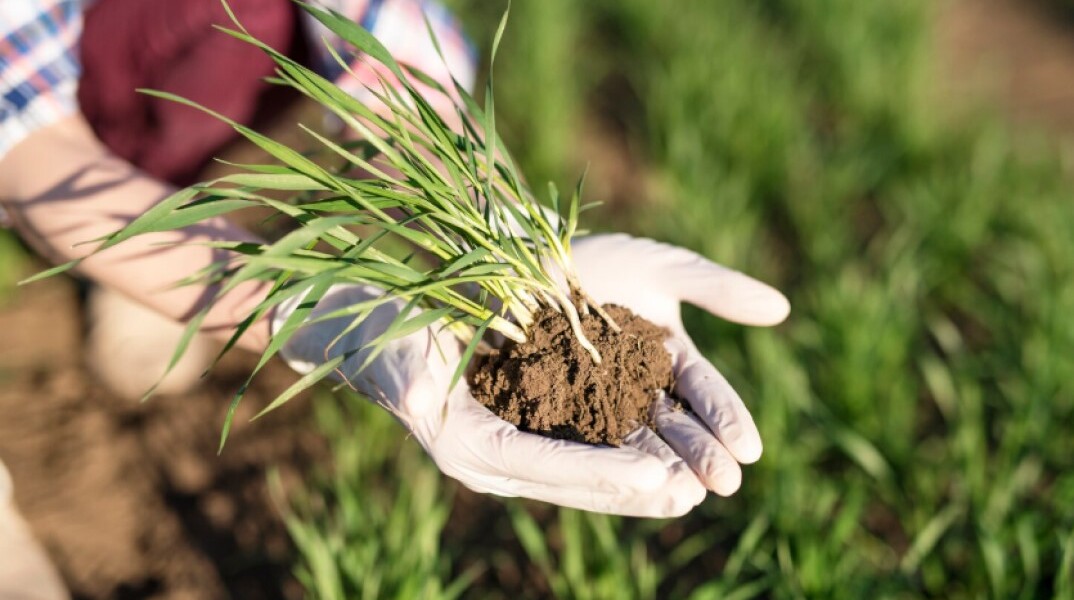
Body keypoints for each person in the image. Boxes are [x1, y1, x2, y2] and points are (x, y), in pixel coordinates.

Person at [0, 0, 790, 595]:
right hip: (61, 115)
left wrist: (502, 229)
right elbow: (26, 138)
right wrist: (305, 309)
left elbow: (384, 45)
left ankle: (180, 228)